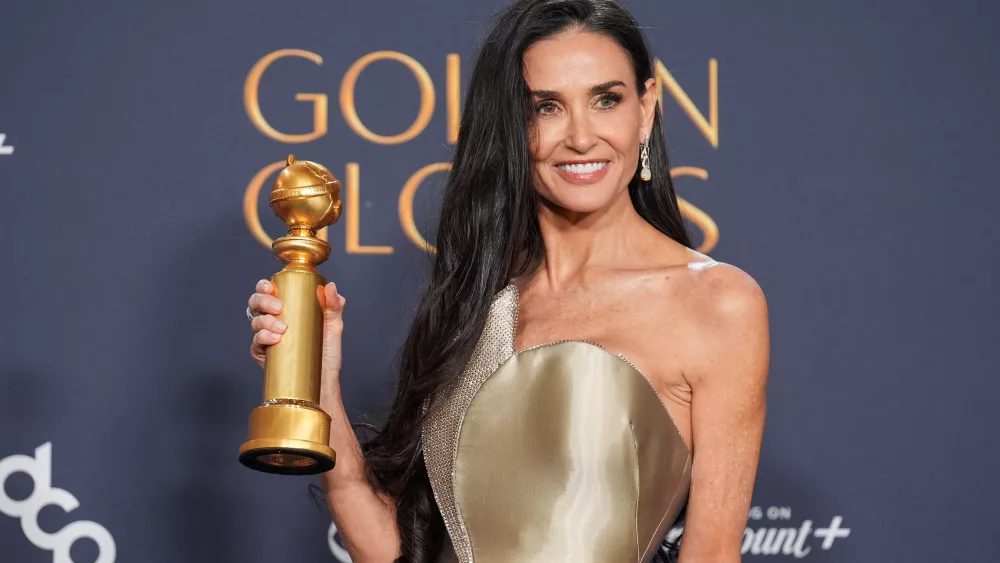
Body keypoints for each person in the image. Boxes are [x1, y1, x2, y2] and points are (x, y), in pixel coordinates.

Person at [246, 0, 770, 561]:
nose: (581, 137)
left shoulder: (716, 303)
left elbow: (712, 553)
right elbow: (393, 550)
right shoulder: (476, 306)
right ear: (512, 126)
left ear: (645, 110)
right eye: (546, 107)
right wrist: (319, 378)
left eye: (606, 99)